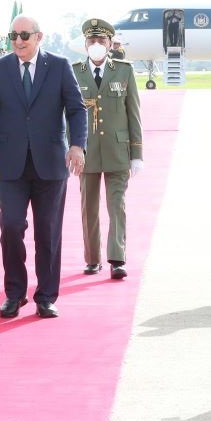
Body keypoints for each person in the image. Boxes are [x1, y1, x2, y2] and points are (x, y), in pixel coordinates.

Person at [0, 14, 88, 319]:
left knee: (48, 233)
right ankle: (14, 294)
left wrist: (77, 145)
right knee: (11, 227)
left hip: (50, 164)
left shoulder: (60, 66)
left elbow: (77, 109)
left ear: (39, 37)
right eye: (13, 36)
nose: (18, 41)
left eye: (24, 35)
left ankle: (46, 296)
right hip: (10, 166)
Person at [72, 18, 143, 279]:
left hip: (118, 150)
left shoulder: (124, 71)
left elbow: (133, 114)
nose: (96, 44)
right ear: (85, 44)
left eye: (101, 41)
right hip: (87, 153)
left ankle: (117, 258)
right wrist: (70, 148)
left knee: (117, 205)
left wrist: (137, 154)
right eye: (92, 41)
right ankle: (92, 259)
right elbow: (67, 115)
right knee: (88, 208)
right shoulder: (74, 71)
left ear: (110, 43)